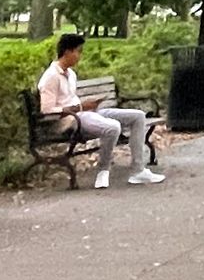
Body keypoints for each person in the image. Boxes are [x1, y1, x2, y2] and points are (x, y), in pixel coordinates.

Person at [37, 33, 164, 189]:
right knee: (113, 127)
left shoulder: (71, 74)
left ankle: (138, 171)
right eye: (78, 51)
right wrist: (81, 107)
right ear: (67, 52)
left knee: (138, 116)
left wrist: (90, 105)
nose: (80, 56)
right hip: (72, 120)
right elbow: (47, 110)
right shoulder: (51, 77)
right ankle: (103, 171)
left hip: (86, 113)